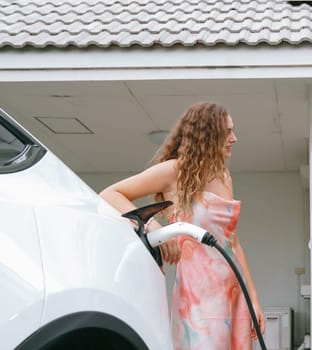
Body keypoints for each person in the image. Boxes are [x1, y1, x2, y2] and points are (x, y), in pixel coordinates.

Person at [100, 101, 264, 350]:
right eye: (228, 131)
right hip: (198, 299)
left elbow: (233, 243)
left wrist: (253, 298)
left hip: (233, 293)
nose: (235, 138)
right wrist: (153, 226)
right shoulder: (174, 171)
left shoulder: (223, 176)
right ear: (208, 133)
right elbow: (110, 194)